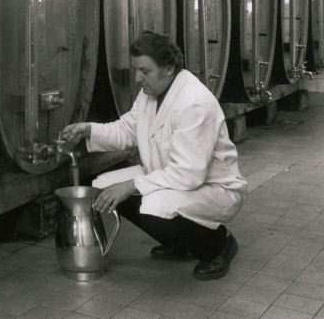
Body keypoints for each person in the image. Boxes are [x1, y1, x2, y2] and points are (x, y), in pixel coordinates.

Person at [62, 31, 247, 280]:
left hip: (212, 188)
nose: (138, 78)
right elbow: (127, 130)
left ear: (168, 69)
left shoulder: (194, 103)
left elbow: (187, 175)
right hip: (169, 175)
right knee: (103, 186)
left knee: (151, 204)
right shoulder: (152, 92)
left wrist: (131, 185)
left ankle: (217, 245)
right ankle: (181, 243)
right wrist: (89, 129)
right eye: (136, 70)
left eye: (145, 71)